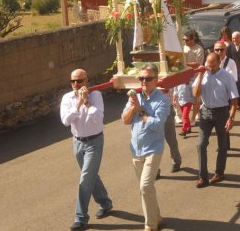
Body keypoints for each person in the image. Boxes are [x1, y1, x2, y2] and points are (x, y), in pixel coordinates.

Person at [60, 69, 113, 231]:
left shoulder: (96, 95)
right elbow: (66, 121)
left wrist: (87, 102)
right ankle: (105, 203)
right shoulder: (67, 98)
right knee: (90, 176)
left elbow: (98, 117)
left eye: (80, 81)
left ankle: (80, 218)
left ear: (86, 81)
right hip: (77, 142)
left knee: (85, 179)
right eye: (73, 81)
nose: (76, 84)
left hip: (94, 142)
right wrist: (79, 103)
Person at [122, 63, 171, 231]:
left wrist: (140, 111)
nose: (144, 81)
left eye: (148, 78)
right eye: (141, 78)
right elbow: (125, 120)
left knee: (145, 186)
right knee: (145, 189)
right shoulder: (134, 97)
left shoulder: (163, 100)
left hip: (153, 149)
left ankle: (150, 226)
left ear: (156, 80)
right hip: (135, 149)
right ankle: (156, 217)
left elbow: (157, 125)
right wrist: (133, 108)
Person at [192, 52, 239, 188]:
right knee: (200, 145)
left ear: (219, 63)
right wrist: (201, 75)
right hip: (205, 112)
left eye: (213, 66)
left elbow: (234, 99)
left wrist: (231, 118)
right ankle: (203, 176)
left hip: (222, 112)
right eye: (208, 65)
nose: (210, 68)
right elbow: (195, 94)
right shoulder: (203, 74)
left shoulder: (227, 76)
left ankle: (219, 172)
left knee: (222, 145)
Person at [183, 30, 205, 126]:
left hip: (195, 77)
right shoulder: (183, 48)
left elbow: (197, 64)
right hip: (184, 77)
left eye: (187, 40)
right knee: (184, 98)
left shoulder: (199, 49)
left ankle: (193, 117)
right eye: (184, 40)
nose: (185, 42)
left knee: (195, 98)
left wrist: (184, 64)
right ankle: (184, 117)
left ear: (193, 39)